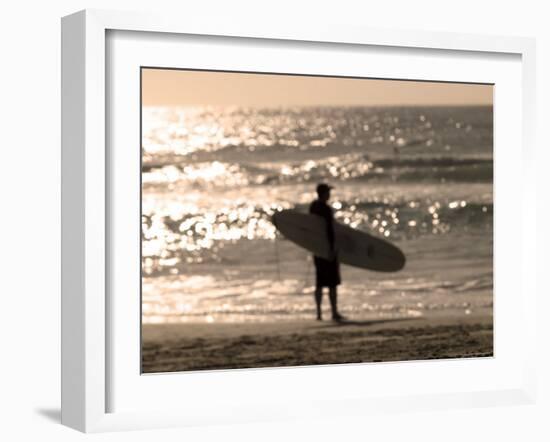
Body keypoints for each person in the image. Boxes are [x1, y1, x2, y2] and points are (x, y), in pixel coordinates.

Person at [309, 183, 344, 322]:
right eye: (328, 192)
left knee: (319, 282)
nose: (329, 194)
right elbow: (329, 230)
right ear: (323, 193)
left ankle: (318, 314)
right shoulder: (326, 209)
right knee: (332, 284)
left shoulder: (313, 207)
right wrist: (331, 249)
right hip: (327, 250)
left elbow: (310, 227)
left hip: (317, 250)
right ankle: (334, 312)